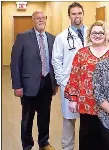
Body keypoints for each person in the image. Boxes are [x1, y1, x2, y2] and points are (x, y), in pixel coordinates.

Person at [10, 10, 58, 150]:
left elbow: (54, 62)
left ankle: (44, 142)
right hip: (28, 85)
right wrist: (17, 85)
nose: (41, 20)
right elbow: (15, 63)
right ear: (33, 20)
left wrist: (55, 83)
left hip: (47, 84)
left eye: (43, 18)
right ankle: (27, 145)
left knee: (45, 116)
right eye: (38, 18)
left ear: (46, 19)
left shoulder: (52, 38)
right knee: (27, 118)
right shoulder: (23, 37)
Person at [64, 20, 109, 150]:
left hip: (107, 105)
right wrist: (73, 99)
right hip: (86, 103)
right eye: (94, 32)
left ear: (105, 35)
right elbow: (74, 76)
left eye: (100, 33)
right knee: (87, 137)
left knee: (105, 139)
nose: (97, 35)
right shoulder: (81, 53)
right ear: (89, 34)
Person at [52, 2, 87, 150]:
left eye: (79, 13)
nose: (77, 16)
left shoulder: (92, 33)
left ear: (83, 14)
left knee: (88, 120)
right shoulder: (61, 37)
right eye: (74, 14)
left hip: (89, 85)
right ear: (69, 16)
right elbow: (56, 60)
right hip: (69, 84)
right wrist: (63, 81)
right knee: (69, 120)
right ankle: (67, 148)